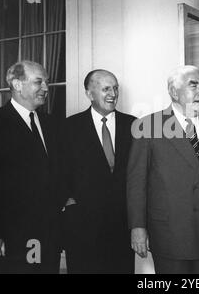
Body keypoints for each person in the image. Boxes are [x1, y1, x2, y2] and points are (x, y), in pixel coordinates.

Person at [127, 65, 199, 274]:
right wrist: (138, 227)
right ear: (173, 91)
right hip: (170, 234)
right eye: (193, 85)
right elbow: (136, 183)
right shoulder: (147, 127)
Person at [62, 69, 136, 274]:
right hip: (82, 226)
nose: (113, 93)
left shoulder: (133, 125)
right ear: (89, 93)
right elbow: (59, 171)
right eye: (106, 89)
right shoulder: (68, 127)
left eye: (115, 88)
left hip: (122, 225)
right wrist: (68, 201)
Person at [0, 61, 62, 274]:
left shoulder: (52, 124)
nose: (46, 88)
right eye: (38, 82)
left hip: (50, 236)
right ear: (17, 84)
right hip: (11, 239)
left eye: (47, 83)